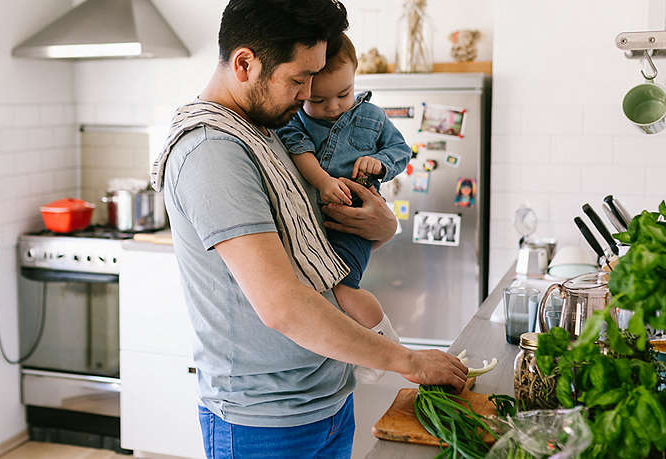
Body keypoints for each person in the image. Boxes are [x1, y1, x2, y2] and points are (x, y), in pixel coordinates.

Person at [149, 1, 468, 458]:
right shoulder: (211, 151)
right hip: (265, 422)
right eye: (299, 79)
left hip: (326, 398)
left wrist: (383, 224)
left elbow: (321, 243)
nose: (309, 94)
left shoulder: (267, 130)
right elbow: (283, 305)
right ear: (244, 63)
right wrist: (410, 361)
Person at [275, 33, 410, 383]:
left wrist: (379, 163)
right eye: (318, 99)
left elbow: (401, 152)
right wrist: (322, 182)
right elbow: (299, 152)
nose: (333, 107)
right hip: (314, 227)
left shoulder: (373, 117)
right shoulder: (296, 122)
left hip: (353, 226)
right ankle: (356, 351)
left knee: (344, 289)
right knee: (318, 295)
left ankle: (385, 342)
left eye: (343, 94)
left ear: (355, 79)